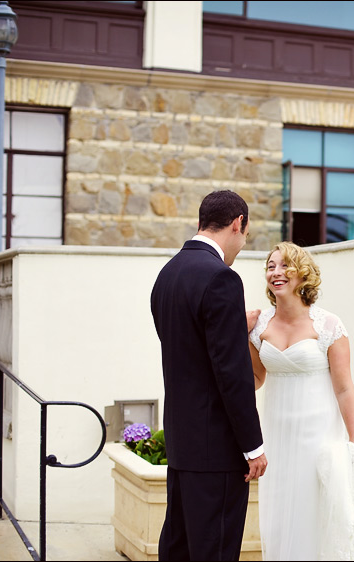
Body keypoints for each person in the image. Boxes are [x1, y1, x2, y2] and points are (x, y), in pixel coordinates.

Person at [151, 190, 268, 561]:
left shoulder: (167, 274)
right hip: (216, 448)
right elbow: (230, 373)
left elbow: (191, 351)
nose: (242, 244)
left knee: (179, 547)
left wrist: (234, 326)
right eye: (245, 235)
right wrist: (253, 446)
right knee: (214, 550)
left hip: (183, 442)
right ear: (238, 223)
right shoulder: (222, 278)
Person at [248, 242, 354, 561]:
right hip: (276, 436)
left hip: (318, 437)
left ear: (302, 274)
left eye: (284, 266)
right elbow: (254, 379)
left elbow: (345, 389)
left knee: (315, 513)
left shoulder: (329, 326)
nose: (276, 272)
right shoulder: (257, 326)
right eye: (270, 266)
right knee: (278, 518)